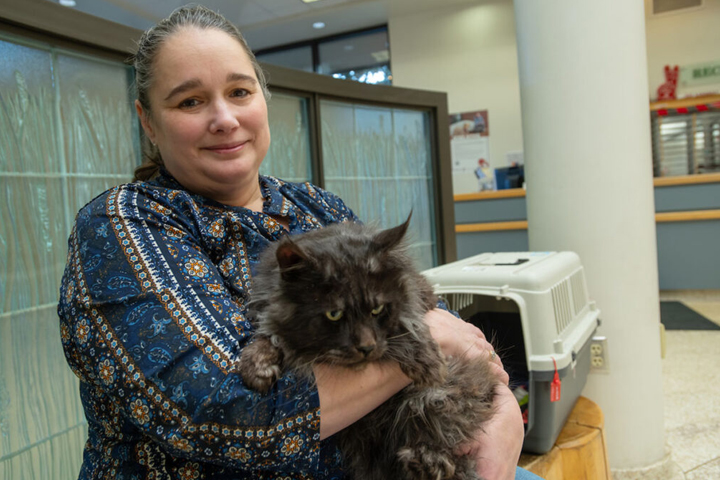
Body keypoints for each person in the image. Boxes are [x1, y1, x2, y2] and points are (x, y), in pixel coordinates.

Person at [58, 6, 541, 479]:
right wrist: (423, 342)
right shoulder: (126, 223)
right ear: (148, 120)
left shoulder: (315, 206)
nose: (224, 118)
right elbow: (220, 415)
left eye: (239, 91)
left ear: (263, 99)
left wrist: (502, 424)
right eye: (190, 101)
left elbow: (439, 318)